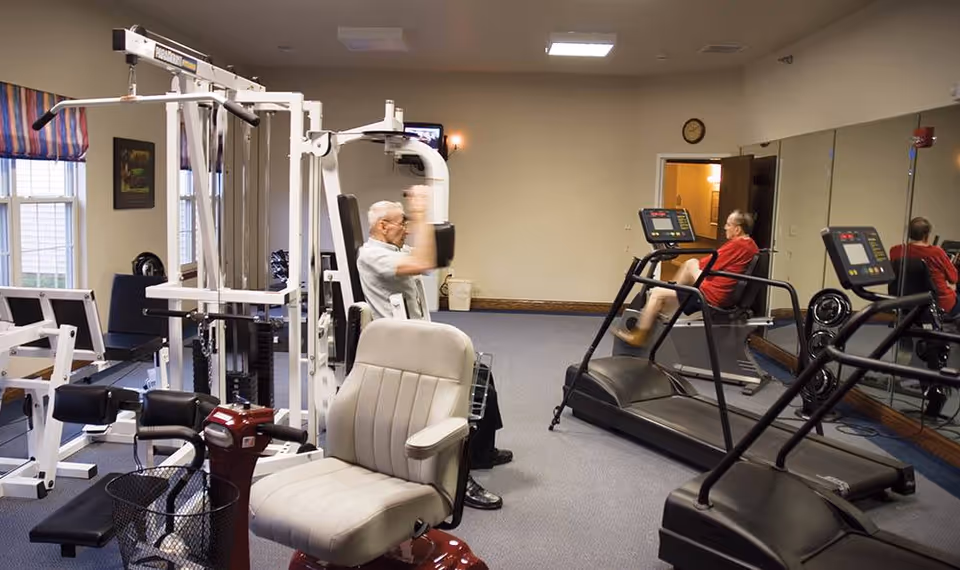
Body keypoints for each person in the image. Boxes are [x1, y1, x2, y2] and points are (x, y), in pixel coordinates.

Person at [356, 186, 512, 510]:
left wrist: (420, 220)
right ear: (382, 225)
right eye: (402, 222)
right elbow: (426, 258)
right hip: (403, 352)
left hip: (420, 341)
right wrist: (421, 210)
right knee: (464, 395)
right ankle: (458, 478)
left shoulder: (393, 250)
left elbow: (431, 261)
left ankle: (482, 452)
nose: (407, 228)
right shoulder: (372, 255)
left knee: (483, 377)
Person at [616, 210, 760, 347]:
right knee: (690, 263)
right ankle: (668, 301)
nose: (724, 227)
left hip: (713, 296)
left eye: (728, 224)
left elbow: (706, 264)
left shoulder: (737, 245)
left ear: (737, 230)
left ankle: (639, 337)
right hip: (723, 292)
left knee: (657, 293)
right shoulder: (750, 244)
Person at [890, 217, 959, 318]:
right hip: (939, 304)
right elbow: (954, 278)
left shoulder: (895, 251)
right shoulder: (937, 252)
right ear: (926, 235)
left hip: (907, 302)